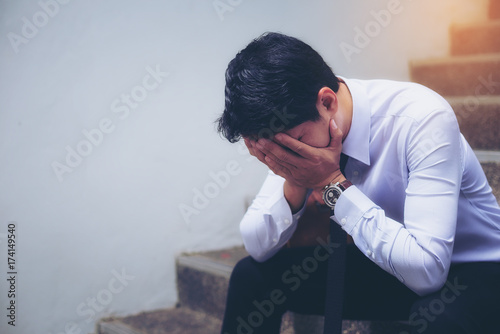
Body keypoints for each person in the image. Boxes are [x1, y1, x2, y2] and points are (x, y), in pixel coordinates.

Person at [216, 32, 500, 334]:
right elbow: (257, 245)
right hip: (387, 262)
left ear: (327, 102)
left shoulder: (421, 118)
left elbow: (428, 271)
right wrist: (294, 180)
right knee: (251, 277)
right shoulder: (296, 125)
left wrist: (330, 183)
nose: (288, 155)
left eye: (293, 145)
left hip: (471, 268)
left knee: (438, 318)